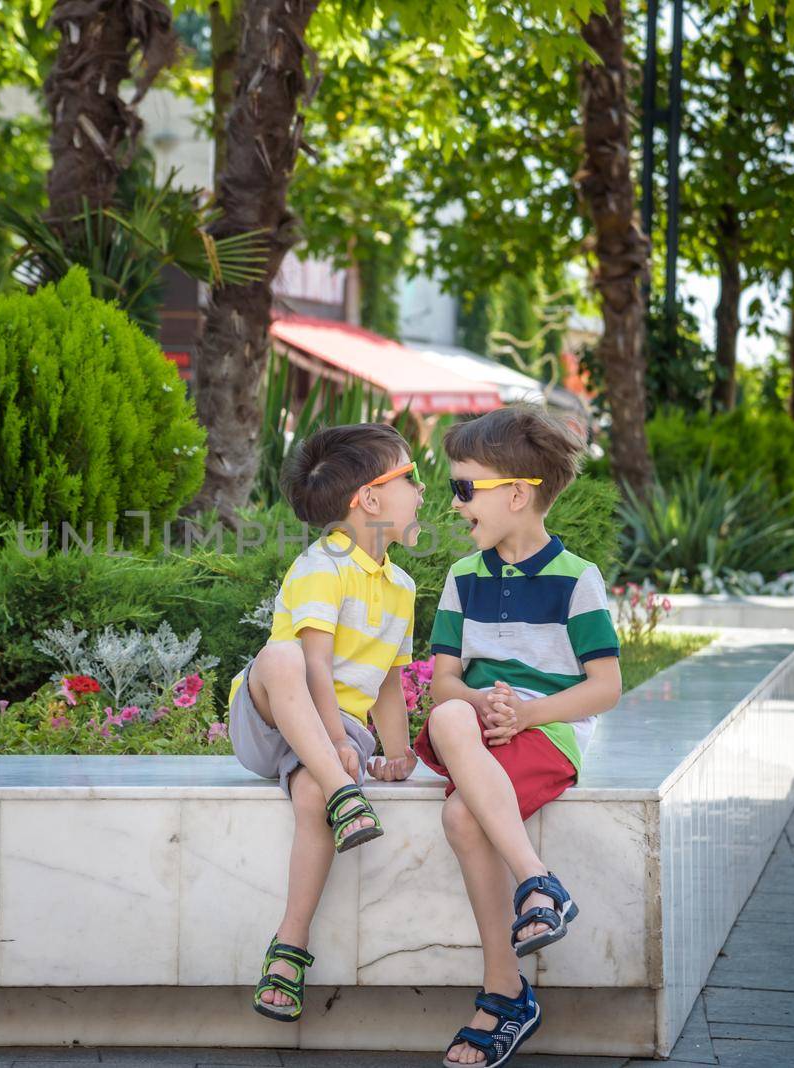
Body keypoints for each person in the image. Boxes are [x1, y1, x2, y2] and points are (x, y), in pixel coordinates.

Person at [413, 404, 623, 1066]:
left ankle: (505, 993)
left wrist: (528, 715)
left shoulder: (575, 580)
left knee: (459, 815)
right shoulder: (462, 579)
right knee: (447, 714)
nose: (455, 504)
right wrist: (481, 701)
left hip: (545, 732)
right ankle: (538, 882)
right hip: (474, 724)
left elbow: (606, 687)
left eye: (463, 488)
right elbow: (445, 682)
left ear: (515, 493)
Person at [227, 422, 425, 1023]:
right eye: (410, 478)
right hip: (273, 716)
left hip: (340, 732)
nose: (422, 491)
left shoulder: (401, 586)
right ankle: (344, 792)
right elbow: (313, 663)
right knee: (282, 654)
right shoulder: (324, 564)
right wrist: (337, 743)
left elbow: (388, 681)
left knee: (313, 795)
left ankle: (288, 954)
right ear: (368, 498)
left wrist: (396, 751)